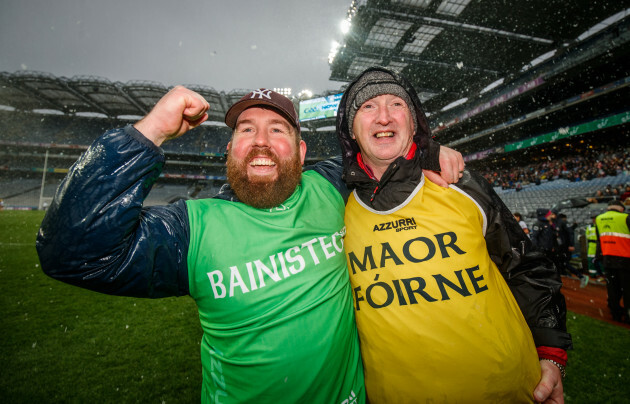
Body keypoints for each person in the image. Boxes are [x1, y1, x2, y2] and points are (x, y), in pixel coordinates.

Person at [35, 86, 462, 403]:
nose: (261, 141)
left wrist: (428, 152)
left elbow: (382, 149)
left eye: (277, 129)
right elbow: (72, 250)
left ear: (300, 149)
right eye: (246, 129)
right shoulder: (192, 229)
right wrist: (151, 131)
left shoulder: (331, 185)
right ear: (231, 148)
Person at [335, 66, 571, 403]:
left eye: (396, 105)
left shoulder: (461, 183)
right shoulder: (337, 205)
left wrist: (551, 352)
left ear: (414, 124)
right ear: (351, 131)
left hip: (511, 391)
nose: (384, 117)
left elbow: (526, 266)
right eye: (368, 107)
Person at [595, 199, 630, 323]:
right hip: (625, 259)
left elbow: (599, 240)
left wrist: (598, 257)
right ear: (621, 208)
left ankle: (615, 313)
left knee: (612, 288)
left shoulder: (599, 219)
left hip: (608, 259)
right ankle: (628, 314)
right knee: (627, 289)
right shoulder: (626, 217)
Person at [554, 212, 589, 287]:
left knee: (564, 263)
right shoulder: (560, 224)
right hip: (562, 247)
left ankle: (580, 276)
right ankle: (566, 276)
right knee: (562, 264)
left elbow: (569, 233)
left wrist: (570, 245)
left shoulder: (561, 224)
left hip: (564, 248)